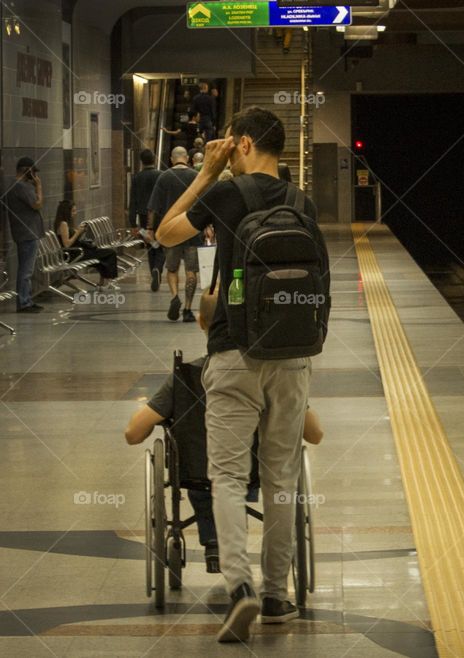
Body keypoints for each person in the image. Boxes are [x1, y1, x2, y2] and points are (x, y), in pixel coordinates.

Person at [157, 106, 320, 643]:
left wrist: (206, 173)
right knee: (282, 478)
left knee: (226, 477)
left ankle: (240, 589)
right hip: (293, 356)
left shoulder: (228, 194)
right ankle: (277, 595)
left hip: (232, 353)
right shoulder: (303, 202)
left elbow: (166, 233)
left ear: (243, 144)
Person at [123, 291, 324, 573]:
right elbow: (314, 434)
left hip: (196, 471)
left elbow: (133, 433)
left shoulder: (186, 377)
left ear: (202, 322)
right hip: (256, 472)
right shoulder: (274, 375)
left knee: (215, 474)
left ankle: (215, 543)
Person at [147, 147, 200, 323]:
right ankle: (187, 309)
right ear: (188, 158)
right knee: (191, 271)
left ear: (171, 159)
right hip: (192, 229)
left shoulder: (164, 177)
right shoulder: (195, 177)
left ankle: (175, 296)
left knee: (172, 269)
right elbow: (204, 203)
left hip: (170, 232)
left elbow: (153, 207)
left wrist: (150, 228)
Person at [3, 157, 45, 312]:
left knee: (26, 269)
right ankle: (24, 302)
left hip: (24, 232)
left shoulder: (16, 186)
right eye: (33, 172)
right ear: (27, 170)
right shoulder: (21, 187)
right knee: (26, 270)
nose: (35, 176)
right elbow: (37, 204)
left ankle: (26, 299)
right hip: (28, 232)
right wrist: (39, 186)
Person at [54, 201, 119, 287]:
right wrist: (78, 233)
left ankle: (105, 280)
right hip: (74, 254)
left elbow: (71, 239)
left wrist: (80, 232)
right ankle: (108, 280)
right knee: (110, 253)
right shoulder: (63, 224)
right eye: (73, 211)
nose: (75, 213)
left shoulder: (65, 223)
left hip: (77, 251)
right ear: (66, 211)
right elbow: (67, 244)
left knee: (104, 254)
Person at [128, 149, 164, 291]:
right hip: (160, 215)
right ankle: (157, 269)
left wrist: (133, 223)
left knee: (150, 246)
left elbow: (133, 202)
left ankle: (153, 271)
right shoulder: (161, 175)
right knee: (161, 244)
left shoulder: (136, 178)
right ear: (154, 159)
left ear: (141, 162)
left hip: (143, 217)